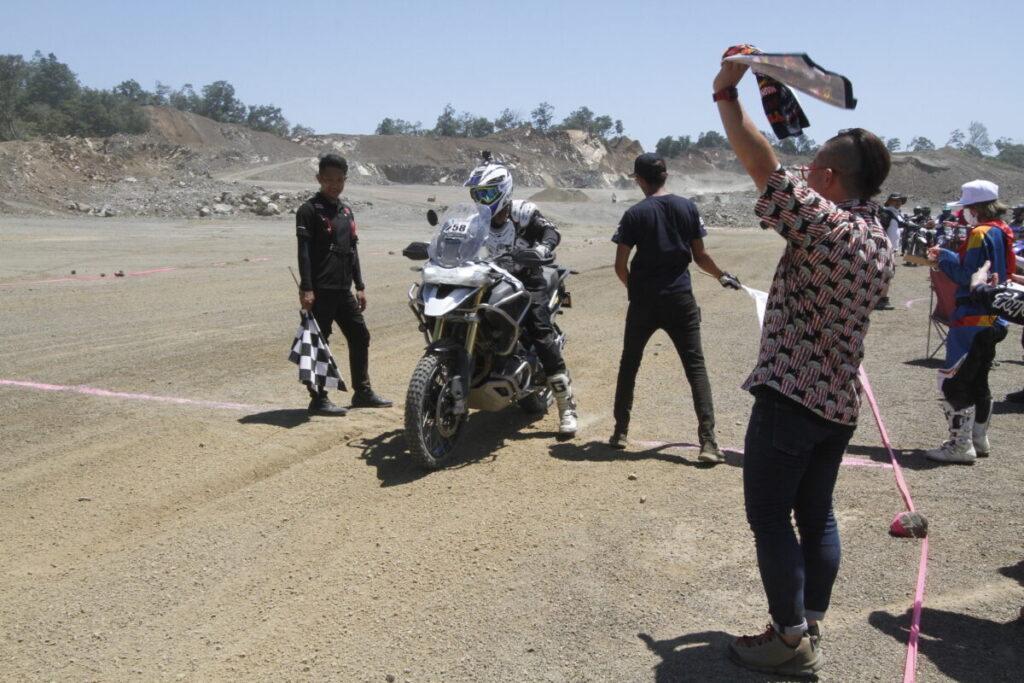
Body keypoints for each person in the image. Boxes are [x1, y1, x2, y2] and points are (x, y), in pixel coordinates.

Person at [713, 57, 895, 677]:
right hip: (838, 404)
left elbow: (761, 162)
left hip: (791, 397)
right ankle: (808, 622)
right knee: (816, 516)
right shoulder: (879, 239)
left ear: (831, 177)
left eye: (813, 166)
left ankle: (789, 640)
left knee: (769, 517)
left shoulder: (826, 227)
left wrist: (726, 92)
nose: (804, 173)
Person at [609, 152, 740, 462]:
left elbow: (620, 265)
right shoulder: (687, 207)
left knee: (630, 364)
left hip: (644, 302)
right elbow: (701, 256)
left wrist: (636, 291)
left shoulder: (634, 214)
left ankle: (620, 433)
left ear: (639, 180)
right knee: (696, 368)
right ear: (665, 176)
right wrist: (722, 276)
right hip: (680, 300)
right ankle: (708, 443)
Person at [464, 155, 577, 435]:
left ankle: (566, 405)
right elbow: (461, 242)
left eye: (487, 194)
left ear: (503, 191)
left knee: (540, 331)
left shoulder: (523, 212)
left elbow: (551, 231)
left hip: (528, 280)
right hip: (491, 279)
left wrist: (542, 248)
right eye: (477, 194)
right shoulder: (475, 221)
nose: (481, 200)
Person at [925, 180, 1014, 463]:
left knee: (954, 381)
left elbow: (967, 275)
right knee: (978, 379)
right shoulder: (1002, 231)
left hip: (972, 317)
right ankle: (978, 438)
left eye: (966, 208)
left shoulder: (979, 233)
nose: (964, 213)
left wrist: (944, 258)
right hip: (994, 317)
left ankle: (959, 445)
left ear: (975, 208)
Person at [296, 154, 392, 415]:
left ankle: (362, 392)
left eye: (339, 180)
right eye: (329, 179)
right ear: (319, 178)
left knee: (360, 336)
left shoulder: (346, 211)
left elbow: (352, 250)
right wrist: (307, 287)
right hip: (321, 289)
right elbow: (303, 252)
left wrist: (360, 286)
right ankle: (318, 398)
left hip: (343, 289)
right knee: (319, 342)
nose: (334, 185)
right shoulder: (309, 210)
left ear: (345, 180)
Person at [877, 192, 907, 309]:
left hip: (891, 249)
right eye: (895, 200)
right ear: (889, 201)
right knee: (885, 274)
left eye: (900, 200)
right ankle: (881, 299)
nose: (898, 202)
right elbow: (881, 230)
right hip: (885, 249)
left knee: (887, 274)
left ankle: (881, 298)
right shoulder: (886, 213)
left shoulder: (895, 213)